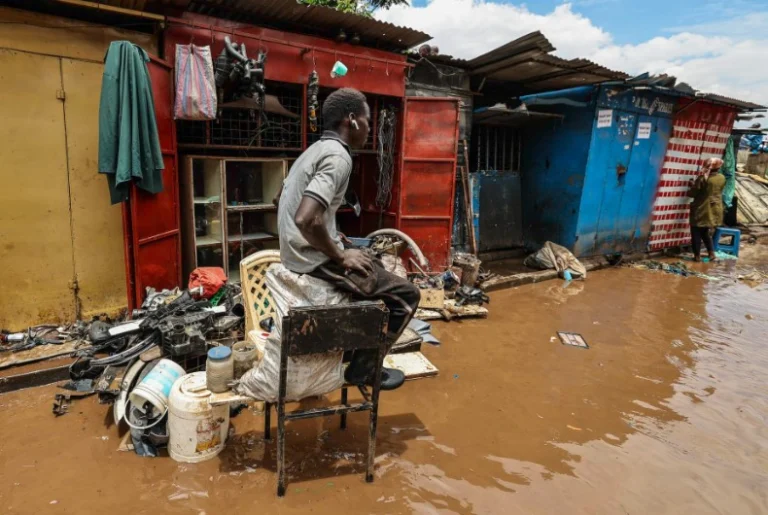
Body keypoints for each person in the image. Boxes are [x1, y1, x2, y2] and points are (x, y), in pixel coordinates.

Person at [276, 88, 420, 391]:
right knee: (407, 297)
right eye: (368, 122)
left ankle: (355, 348)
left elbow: (281, 199)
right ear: (351, 120)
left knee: (373, 262)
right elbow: (305, 218)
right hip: (311, 259)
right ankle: (363, 370)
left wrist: (333, 234)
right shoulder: (338, 157)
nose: (369, 129)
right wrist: (340, 255)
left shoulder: (313, 151)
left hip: (295, 251)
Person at [687, 157, 726, 262]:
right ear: (718, 168)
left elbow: (692, 193)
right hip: (714, 209)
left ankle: (697, 256)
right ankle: (711, 253)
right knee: (704, 231)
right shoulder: (722, 178)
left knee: (695, 231)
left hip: (702, 208)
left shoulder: (702, 179)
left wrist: (692, 185)